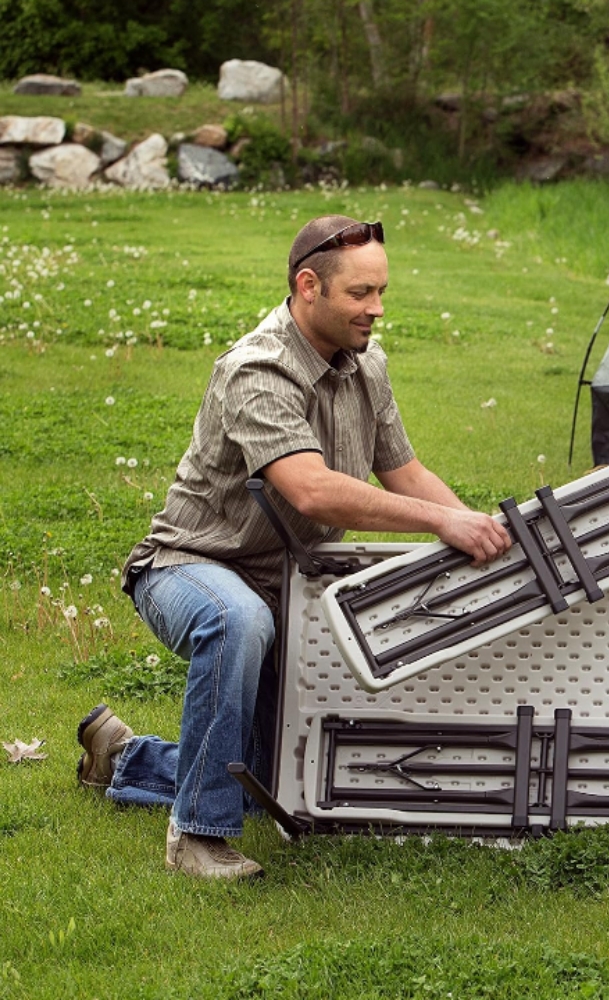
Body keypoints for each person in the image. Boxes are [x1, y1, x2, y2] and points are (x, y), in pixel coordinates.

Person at [76, 215, 511, 879]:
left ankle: (123, 756)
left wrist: (482, 533)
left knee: (277, 785)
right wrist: (437, 523)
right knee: (235, 618)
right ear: (309, 286)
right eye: (361, 294)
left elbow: (406, 473)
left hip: (293, 586)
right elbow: (310, 490)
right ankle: (195, 837)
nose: (378, 309)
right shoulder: (258, 369)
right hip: (192, 567)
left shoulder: (368, 364)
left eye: (381, 291)